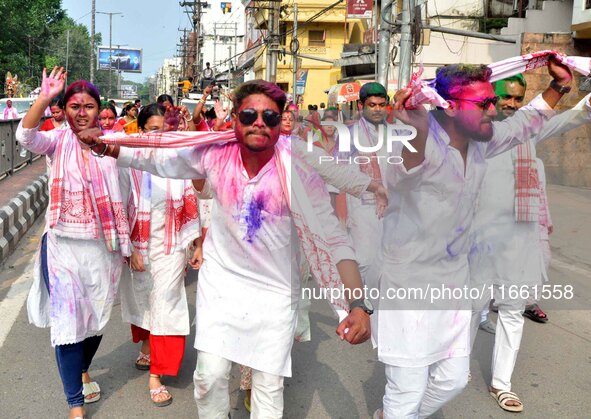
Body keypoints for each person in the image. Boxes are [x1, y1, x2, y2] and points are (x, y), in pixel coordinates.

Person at [77, 79, 372, 418]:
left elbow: (334, 239)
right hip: (222, 287)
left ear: (279, 126)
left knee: (268, 386)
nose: (259, 122)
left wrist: (358, 304)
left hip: (275, 294)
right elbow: (159, 156)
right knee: (209, 378)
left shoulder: (297, 168)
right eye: (249, 114)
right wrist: (106, 146)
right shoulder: (216, 154)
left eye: (270, 117)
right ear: (235, 119)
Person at [372, 59, 573, 419]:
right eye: (484, 104)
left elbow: (523, 124)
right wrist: (416, 131)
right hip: (411, 290)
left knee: (452, 381)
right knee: (407, 391)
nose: (493, 110)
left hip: (453, 285)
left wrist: (557, 87)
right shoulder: (414, 140)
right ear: (449, 107)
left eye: (492, 101)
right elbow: (404, 173)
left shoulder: (481, 143)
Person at [469, 72, 591, 412]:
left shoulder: (528, 131)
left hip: (520, 234)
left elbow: (568, 119)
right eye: (505, 97)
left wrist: (583, 98)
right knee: (468, 308)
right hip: (477, 237)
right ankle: (454, 367)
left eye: (518, 98)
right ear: (489, 100)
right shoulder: (477, 132)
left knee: (511, 310)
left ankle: (501, 383)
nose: (511, 104)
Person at [16, 67, 130, 419]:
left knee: (95, 322)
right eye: (74, 106)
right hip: (63, 246)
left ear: (99, 109)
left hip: (103, 248)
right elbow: (24, 136)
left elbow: (135, 188)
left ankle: (82, 367)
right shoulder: (56, 141)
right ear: (65, 111)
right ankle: (75, 405)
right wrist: (45, 97)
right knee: (67, 324)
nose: (82, 112)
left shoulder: (116, 143)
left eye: (89, 106)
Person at [118, 103, 203, 407]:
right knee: (142, 299)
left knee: (167, 303)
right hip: (140, 246)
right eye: (153, 130)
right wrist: (130, 249)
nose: (160, 135)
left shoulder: (178, 159)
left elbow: (192, 199)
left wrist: (197, 244)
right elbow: (121, 205)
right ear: (141, 131)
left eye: (164, 129)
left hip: (172, 245)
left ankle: (157, 374)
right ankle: (146, 346)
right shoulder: (128, 161)